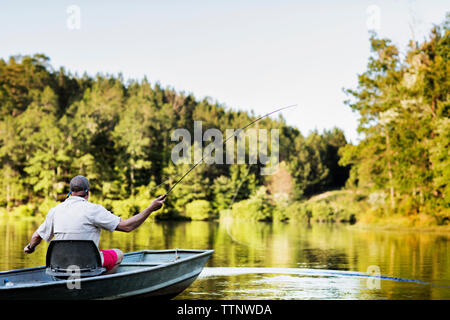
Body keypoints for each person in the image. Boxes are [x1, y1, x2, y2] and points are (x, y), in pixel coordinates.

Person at [24, 175, 165, 274]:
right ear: (87, 193)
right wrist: (150, 209)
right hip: (87, 265)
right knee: (119, 254)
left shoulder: (54, 211)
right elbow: (127, 227)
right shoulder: (93, 209)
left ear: (70, 193)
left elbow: (37, 236)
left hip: (61, 266)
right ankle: (96, 286)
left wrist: (30, 248)